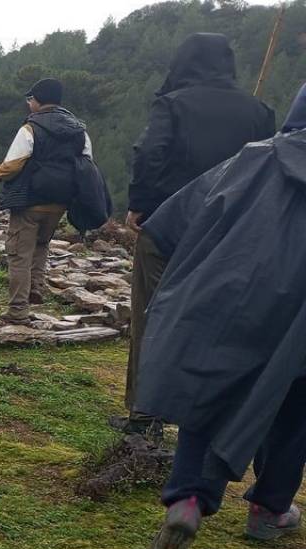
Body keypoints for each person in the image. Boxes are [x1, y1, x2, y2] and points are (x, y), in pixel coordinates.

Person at [139, 83, 306, 549]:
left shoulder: (256, 158)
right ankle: (270, 510)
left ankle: (188, 500)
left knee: (205, 396)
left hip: (234, 298)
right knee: (295, 409)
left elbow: (170, 224)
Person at [115, 33, 276, 437]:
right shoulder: (258, 111)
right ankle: (202, 413)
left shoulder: (172, 103)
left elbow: (150, 153)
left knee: (150, 311)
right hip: (227, 232)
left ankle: (143, 413)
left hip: (168, 226)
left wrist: (139, 204)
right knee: (211, 318)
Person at [0, 78, 93, 324]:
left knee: (19, 254)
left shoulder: (31, 128)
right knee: (42, 245)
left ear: (37, 101)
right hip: (60, 202)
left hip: (30, 200)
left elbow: (14, 164)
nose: (29, 104)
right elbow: (87, 162)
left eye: (30, 99)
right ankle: (35, 287)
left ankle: (17, 310)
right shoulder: (79, 130)